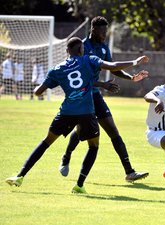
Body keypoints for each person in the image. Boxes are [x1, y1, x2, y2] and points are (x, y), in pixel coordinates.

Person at [5, 37, 149, 193]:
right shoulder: (89, 60)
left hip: (66, 112)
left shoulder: (57, 69)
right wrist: (135, 62)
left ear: (67, 51)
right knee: (93, 146)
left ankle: (20, 176)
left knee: (46, 142)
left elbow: (38, 91)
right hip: (86, 112)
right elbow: (112, 66)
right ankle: (79, 185)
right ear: (81, 50)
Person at [59, 16, 149, 182]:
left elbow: (113, 68)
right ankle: (66, 156)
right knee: (80, 132)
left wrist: (131, 78)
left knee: (113, 131)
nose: (105, 34)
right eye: (102, 31)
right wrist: (103, 84)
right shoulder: (82, 47)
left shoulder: (104, 48)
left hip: (96, 96)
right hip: (82, 97)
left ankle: (130, 172)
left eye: (106, 31)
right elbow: (79, 76)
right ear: (93, 30)